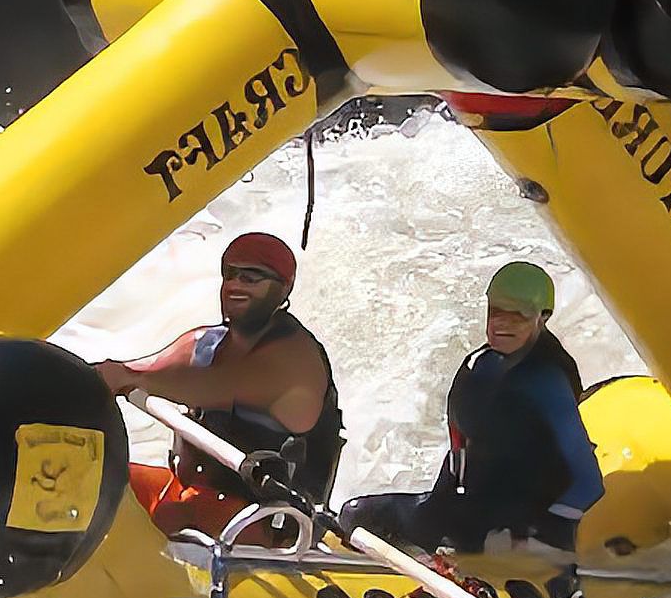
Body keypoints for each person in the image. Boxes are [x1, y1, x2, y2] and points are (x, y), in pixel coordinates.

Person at [340, 261, 603, 552]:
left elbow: (588, 482)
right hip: (462, 509)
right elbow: (462, 453)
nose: (502, 322)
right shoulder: (483, 363)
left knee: (357, 516)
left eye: (518, 314)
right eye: (497, 310)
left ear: (543, 317)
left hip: (505, 525)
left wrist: (538, 537)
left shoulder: (547, 381)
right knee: (354, 515)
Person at [95, 232, 343, 539]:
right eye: (230, 274)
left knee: (177, 514)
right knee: (91, 481)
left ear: (283, 288)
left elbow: (219, 385)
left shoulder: (296, 356)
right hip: (196, 493)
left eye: (251, 277)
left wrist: (138, 379)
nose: (236, 285)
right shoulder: (206, 344)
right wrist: (104, 375)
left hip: (268, 522)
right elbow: (136, 370)